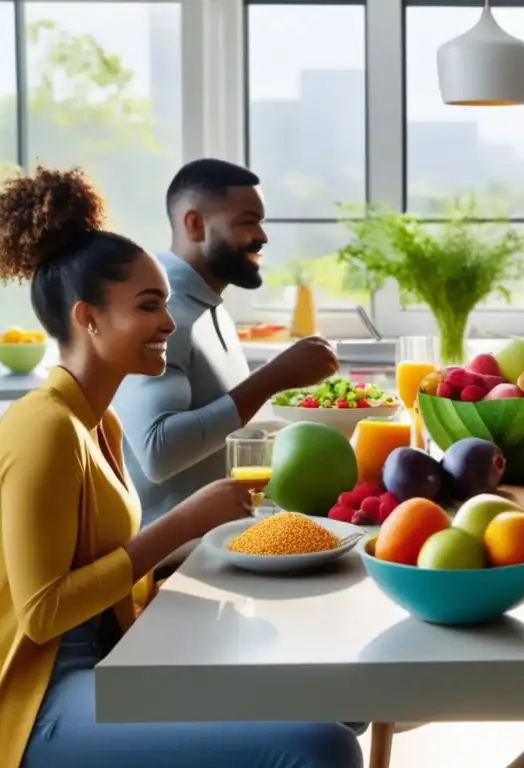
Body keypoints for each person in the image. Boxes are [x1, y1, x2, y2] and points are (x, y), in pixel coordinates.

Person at [0, 167, 363, 766]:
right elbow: (42, 615)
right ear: (88, 318)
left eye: (167, 305)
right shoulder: (42, 426)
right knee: (321, 747)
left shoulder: (98, 422)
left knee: (340, 694)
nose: (169, 324)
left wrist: (194, 570)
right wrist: (183, 525)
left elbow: (96, 565)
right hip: (41, 706)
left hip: (110, 658)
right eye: (149, 306)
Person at [112, 159, 339, 527]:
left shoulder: (207, 305)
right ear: (195, 224)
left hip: (214, 543)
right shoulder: (162, 313)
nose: (263, 236)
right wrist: (274, 377)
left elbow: (217, 430)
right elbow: (157, 452)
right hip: (166, 565)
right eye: (248, 221)